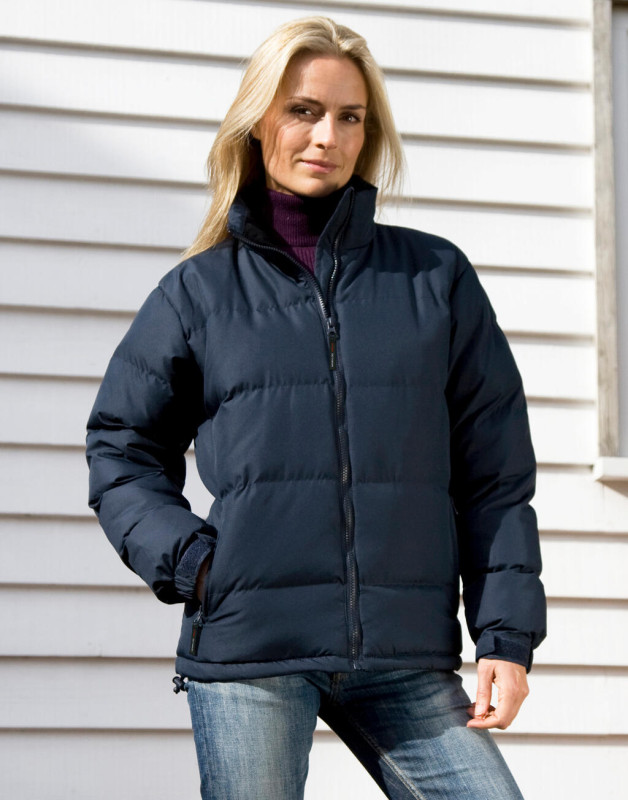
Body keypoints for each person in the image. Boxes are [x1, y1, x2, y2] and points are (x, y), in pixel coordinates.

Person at [86, 15, 546, 800]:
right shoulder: (199, 292)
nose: (327, 135)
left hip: (403, 652)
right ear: (258, 121)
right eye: (303, 110)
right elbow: (120, 449)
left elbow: (494, 473)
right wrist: (196, 564)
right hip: (251, 650)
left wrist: (504, 634)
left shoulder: (434, 278)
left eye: (349, 116)